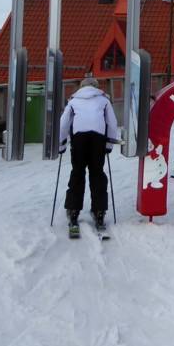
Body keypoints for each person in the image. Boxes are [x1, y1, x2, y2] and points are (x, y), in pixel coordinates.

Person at [59, 75, 120, 230]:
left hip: (79, 139)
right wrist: (109, 144)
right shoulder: (104, 100)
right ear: (96, 87)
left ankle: (73, 210)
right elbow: (112, 123)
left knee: (77, 172)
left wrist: (61, 144)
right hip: (98, 139)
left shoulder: (73, 101)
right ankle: (99, 211)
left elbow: (64, 123)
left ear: (81, 87)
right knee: (97, 173)